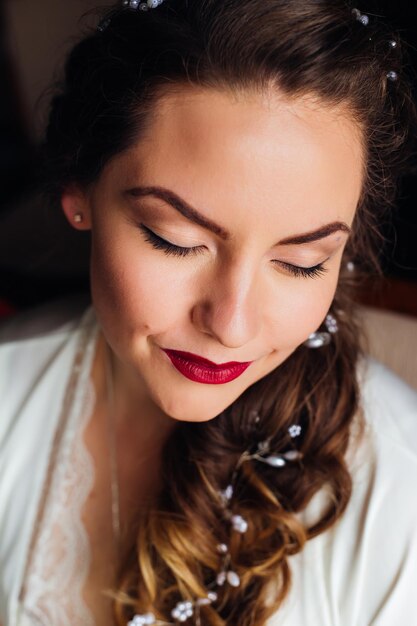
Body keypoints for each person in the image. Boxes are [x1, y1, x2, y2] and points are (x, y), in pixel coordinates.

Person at [1, 1, 417, 625]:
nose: (231, 323)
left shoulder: (398, 482)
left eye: (302, 261)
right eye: (175, 240)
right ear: (80, 191)